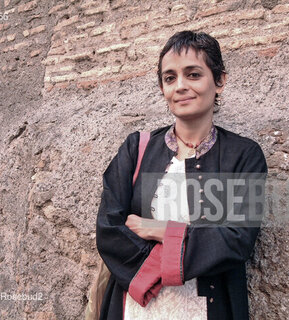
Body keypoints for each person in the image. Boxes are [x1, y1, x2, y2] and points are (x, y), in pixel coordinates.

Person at [96, 30, 267, 320]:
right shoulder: (136, 148)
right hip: (136, 306)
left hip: (207, 308)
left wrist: (161, 230)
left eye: (193, 74)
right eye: (170, 78)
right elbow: (109, 229)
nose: (180, 87)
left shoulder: (244, 156)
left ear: (220, 80)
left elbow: (236, 240)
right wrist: (182, 247)